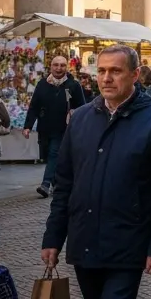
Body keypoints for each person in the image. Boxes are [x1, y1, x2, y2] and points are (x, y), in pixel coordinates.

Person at [41, 45, 151, 299]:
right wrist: (53, 237)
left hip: (128, 244)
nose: (107, 78)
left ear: (135, 74)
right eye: (102, 70)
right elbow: (64, 184)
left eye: (116, 71)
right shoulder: (81, 118)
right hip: (84, 242)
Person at [24, 55, 89, 198]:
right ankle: (57, 184)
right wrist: (28, 126)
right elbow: (34, 106)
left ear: (67, 67)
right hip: (45, 128)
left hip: (64, 129)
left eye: (62, 65)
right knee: (49, 156)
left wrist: (78, 120)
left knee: (55, 153)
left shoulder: (73, 85)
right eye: (56, 65)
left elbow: (83, 107)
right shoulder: (42, 84)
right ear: (51, 66)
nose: (59, 68)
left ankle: (45, 184)